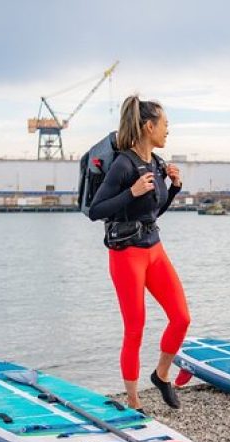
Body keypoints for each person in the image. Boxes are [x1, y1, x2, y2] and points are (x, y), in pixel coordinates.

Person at [88, 95, 189, 412]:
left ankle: (161, 375)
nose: (167, 131)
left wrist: (173, 189)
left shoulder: (157, 164)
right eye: (165, 125)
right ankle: (133, 400)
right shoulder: (123, 164)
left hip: (154, 249)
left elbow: (152, 212)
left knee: (181, 317)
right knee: (135, 328)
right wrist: (130, 192)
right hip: (126, 255)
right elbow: (96, 211)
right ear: (149, 126)